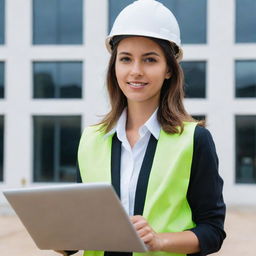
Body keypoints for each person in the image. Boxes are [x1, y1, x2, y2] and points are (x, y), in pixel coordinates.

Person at [56, 0, 226, 255]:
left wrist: (160, 240)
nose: (135, 71)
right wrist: (63, 243)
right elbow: (84, 225)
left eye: (149, 59)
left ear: (169, 68)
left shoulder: (194, 140)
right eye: (125, 59)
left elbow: (212, 231)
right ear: (115, 66)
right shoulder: (91, 139)